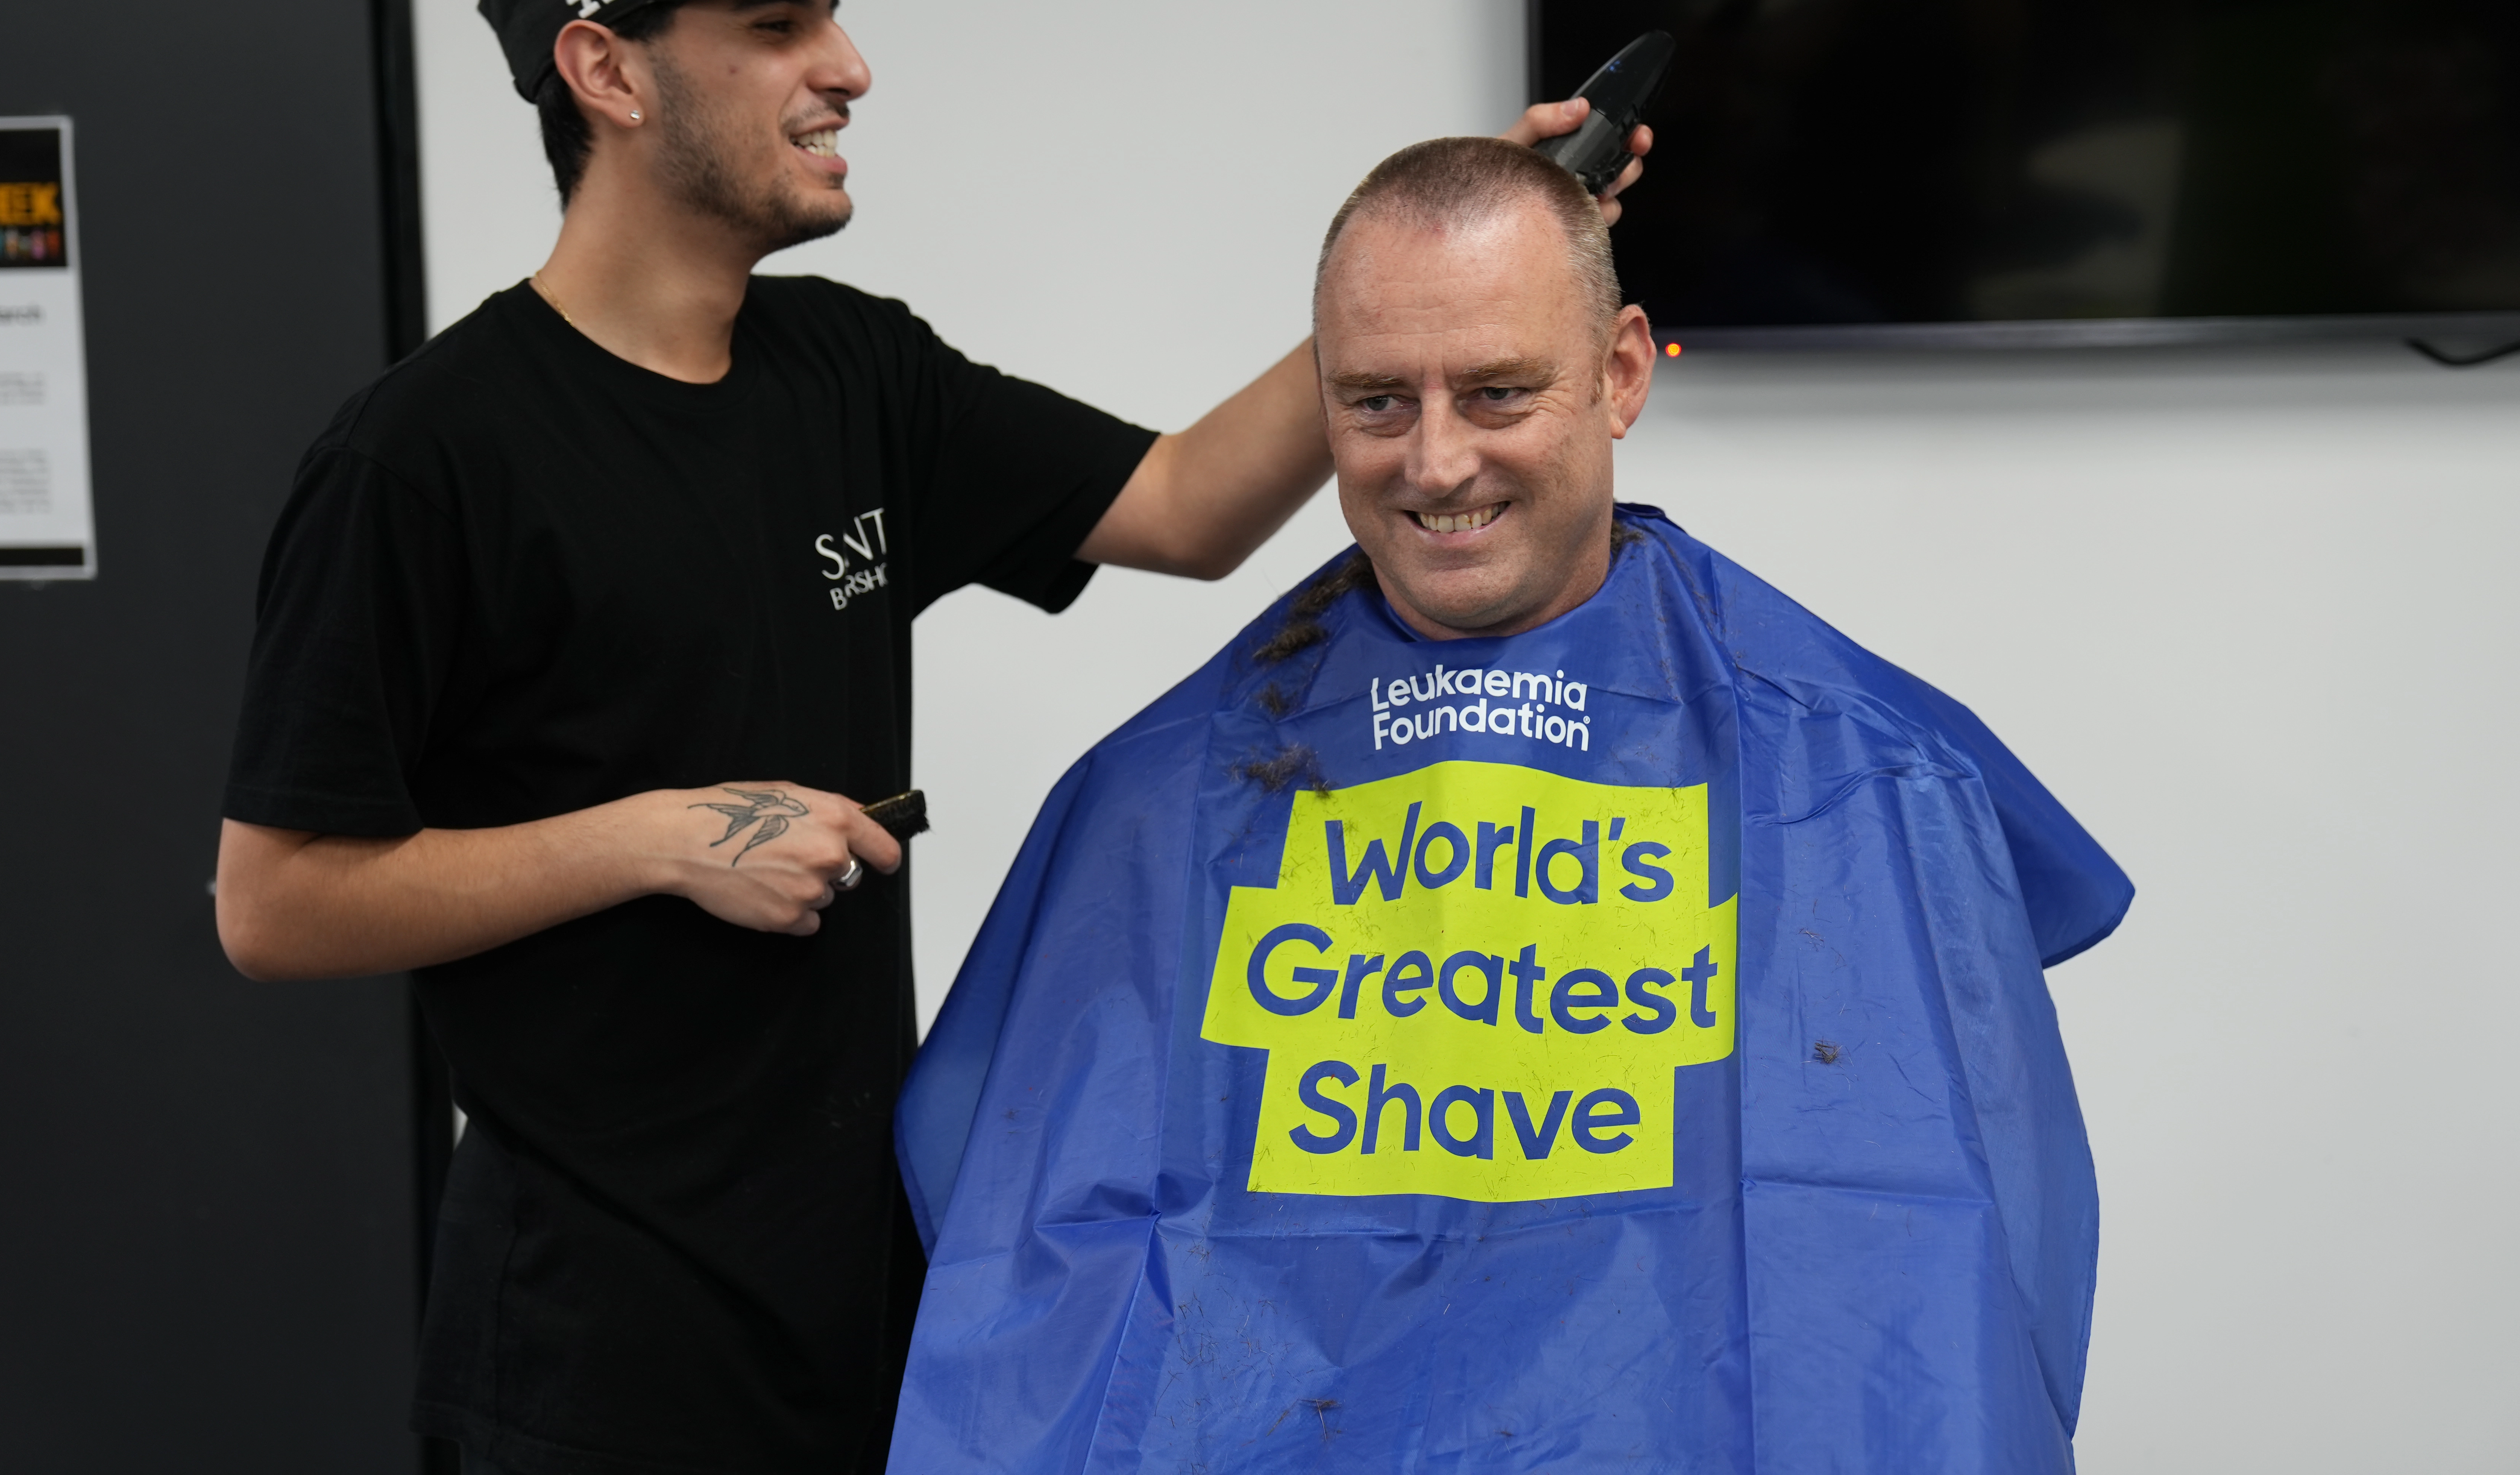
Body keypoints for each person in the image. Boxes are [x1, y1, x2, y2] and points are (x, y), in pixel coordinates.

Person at [210, 0, 1648, 1475]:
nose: (849, 67)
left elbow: (1184, 505)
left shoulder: (850, 373)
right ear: (603, 69)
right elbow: (276, 899)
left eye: (831, 12)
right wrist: (657, 840)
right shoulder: (427, 456)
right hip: (602, 1362)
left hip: (868, 1308)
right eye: (776, 26)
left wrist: (1452, 266)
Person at [889, 136, 2133, 1473]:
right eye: (1375, 401)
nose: (1434, 462)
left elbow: (1962, 1269)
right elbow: (1011, 1240)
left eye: (1496, 393)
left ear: (1622, 373)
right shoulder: (1161, 796)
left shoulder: (1858, 769)